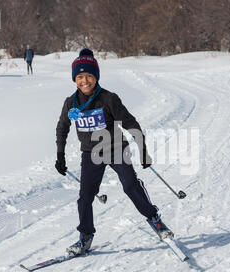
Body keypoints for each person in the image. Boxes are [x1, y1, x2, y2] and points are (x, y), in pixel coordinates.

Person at [55, 48, 174, 256]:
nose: (85, 81)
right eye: (80, 77)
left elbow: (131, 123)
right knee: (85, 197)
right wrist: (60, 156)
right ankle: (85, 236)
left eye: (89, 76)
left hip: (117, 149)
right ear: (75, 79)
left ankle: (155, 220)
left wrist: (143, 151)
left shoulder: (109, 99)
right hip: (91, 154)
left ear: (96, 77)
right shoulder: (70, 103)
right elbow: (62, 128)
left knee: (130, 186)